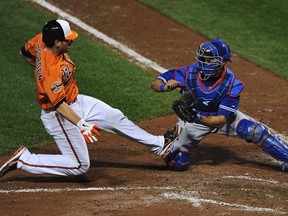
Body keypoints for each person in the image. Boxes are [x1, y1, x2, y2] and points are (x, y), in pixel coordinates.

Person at [0, 19, 179, 177]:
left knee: (114, 116)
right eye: (67, 40)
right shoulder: (51, 72)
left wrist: (38, 68)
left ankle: (159, 145)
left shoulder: (42, 38)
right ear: (56, 42)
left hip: (76, 100)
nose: (71, 41)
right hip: (60, 115)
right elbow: (60, 106)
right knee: (80, 165)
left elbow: (24, 52)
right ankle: (25, 160)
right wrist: (82, 124)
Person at [151, 37, 288, 171]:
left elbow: (221, 121)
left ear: (222, 62)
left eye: (209, 60)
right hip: (192, 121)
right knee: (178, 163)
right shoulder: (189, 72)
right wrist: (165, 87)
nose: (204, 63)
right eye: (203, 59)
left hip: (215, 117)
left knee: (254, 131)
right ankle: (173, 141)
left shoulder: (231, 84)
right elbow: (156, 82)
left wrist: (196, 117)